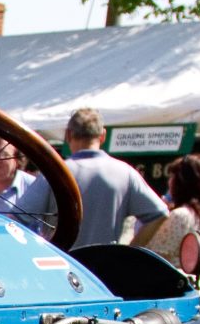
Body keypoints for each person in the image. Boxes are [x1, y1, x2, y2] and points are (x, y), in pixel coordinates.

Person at [60, 106, 166, 249]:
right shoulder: (125, 173)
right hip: (104, 267)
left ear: (68, 135)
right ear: (103, 135)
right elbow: (160, 213)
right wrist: (129, 253)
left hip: (61, 264)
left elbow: (22, 218)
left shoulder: (56, 172)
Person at [139, 152, 200, 269]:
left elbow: (154, 255)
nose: (169, 183)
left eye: (172, 177)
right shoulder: (198, 215)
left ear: (182, 182)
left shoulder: (180, 216)